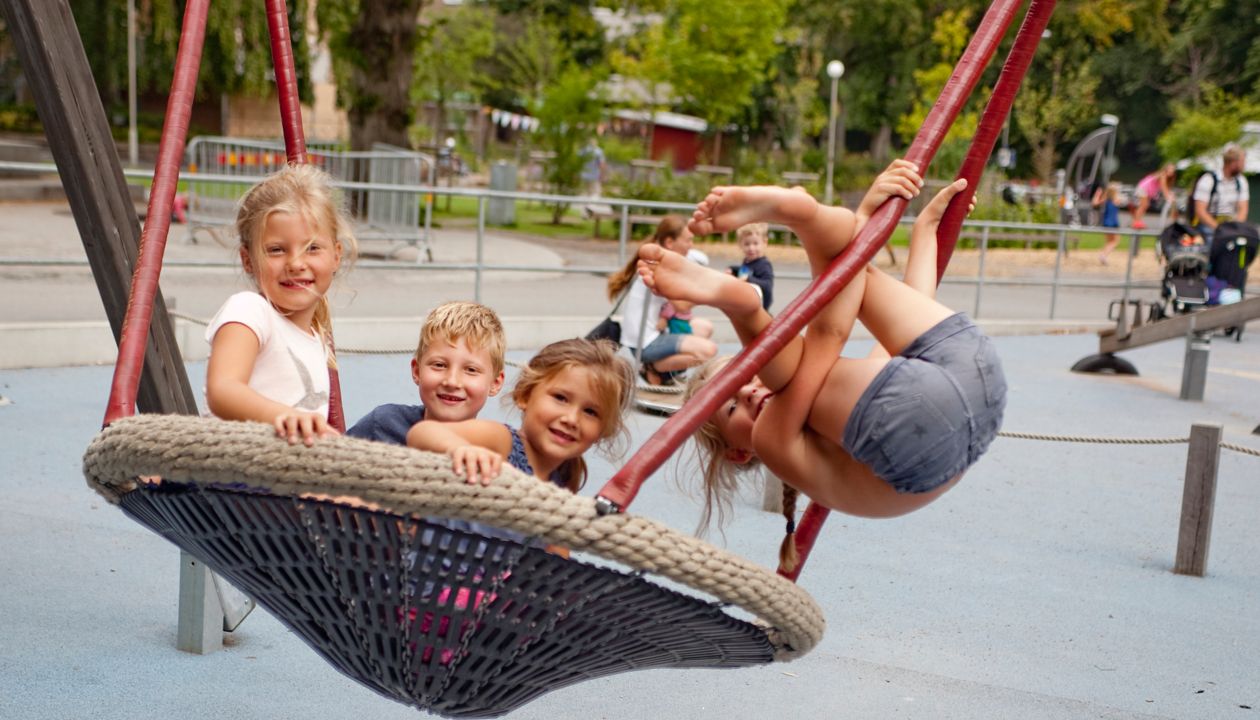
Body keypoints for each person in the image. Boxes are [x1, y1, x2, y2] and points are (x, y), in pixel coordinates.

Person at [636, 160, 1006, 571]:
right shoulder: (775, 445)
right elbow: (831, 333)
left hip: (969, 372)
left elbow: (899, 334)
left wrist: (924, 233)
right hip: (933, 423)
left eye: (743, 378)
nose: (750, 393)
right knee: (799, 372)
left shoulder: (845, 401)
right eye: (732, 407)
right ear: (737, 454)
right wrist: (857, 229)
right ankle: (758, 284)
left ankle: (794, 237)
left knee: (843, 273)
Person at [407, 338, 635, 558]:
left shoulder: (561, 483)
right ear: (524, 395)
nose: (571, 419)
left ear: (603, 431)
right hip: (435, 582)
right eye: (561, 398)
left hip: (492, 593)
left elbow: (556, 556)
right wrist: (459, 448)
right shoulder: (501, 442)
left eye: (591, 412)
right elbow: (422, 433)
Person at [204, 163, 358, 446]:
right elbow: (222, 389)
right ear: (248, 260)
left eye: (312, 248)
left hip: (283, 477)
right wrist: (284, 416)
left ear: (336, 255)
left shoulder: (315, 339)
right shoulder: (249, 311)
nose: (296, 264)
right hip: (234, 473)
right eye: (276, 250)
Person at [347, 301, 506, 443]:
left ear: (495, 383)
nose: (451, 381)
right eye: (439, 365)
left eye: (471, 370)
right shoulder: (382, 426)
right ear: (417, 370)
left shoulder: (496, 449)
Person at [607, 215, 717, 386]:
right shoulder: (659, 267)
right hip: (644, 343)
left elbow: (697, 259)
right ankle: (655, 368)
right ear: (669, 242)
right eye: (687, 240)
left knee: (705, 328)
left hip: (657, 331)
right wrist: (716, 291)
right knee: (708, 351)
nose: (691, 245)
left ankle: (663, 372)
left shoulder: (663, 258)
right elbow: (682, 306)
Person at [1193, 144, 1250, 245]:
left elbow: (1243, 209)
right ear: (1232, 163)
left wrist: (1235, 228)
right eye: (1242, 162)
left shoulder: (1241, 181)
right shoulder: (1208, 180)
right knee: (1214, 244)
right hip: (1209, 226)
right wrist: (1219, 229)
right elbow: (1200, 211)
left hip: (1231, 225)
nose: (1244, 166)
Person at [728, 222, 775, 310]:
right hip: (747, 304)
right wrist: (732, 270)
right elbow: (745, 270)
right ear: (740, 245)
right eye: (747, 244)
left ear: (764, 243)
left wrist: (748, 279)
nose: (751, 248)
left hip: (760, 308)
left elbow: (767, 285)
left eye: (755, 244)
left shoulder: (764, 265)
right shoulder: (747, 261)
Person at [1130, 163, 1176, 230]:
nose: (1171, 172)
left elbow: (1166, 188)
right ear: (1166, 169)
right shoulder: (1162, 175)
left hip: (1146, 190)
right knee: (1143, 205)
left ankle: (1137, 221)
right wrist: (1168, 197)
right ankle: (1136, 222)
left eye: (1172, 170)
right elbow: (1163, 188)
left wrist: (1170, 195)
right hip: (1144, 188)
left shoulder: (1166, 177)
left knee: (1145, 205)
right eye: (1170, 170)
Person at [1093, 182, 1122, 264]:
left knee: (1109, 241)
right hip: (1113, 223)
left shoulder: (1105, 200)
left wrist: (1098, 194)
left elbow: (1094, 203)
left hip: (1105, 222)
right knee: (1115, 241)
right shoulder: (1115, 200)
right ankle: (1103, 255)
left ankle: (1104, 255)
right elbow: (1119, 199)